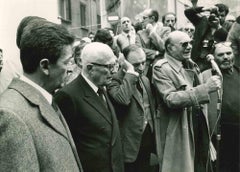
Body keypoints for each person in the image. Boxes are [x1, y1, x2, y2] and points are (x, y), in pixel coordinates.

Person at [0, 16, 83, 171]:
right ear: (45, 66)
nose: (71, 68)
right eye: (67, 62)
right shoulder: (10, 115)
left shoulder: (46, 97)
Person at [152, 31, 221, 172]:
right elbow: (171, 99)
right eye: (184, 44)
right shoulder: (161, 68)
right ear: (170, 48)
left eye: (190, 42)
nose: (189, 47)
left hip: (197, 125)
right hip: (180, 129)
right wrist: (205, 88)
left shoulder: (190, 64)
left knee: (201, 165)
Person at [54, 42, 124, 172]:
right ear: (90, 68)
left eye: (115, 65)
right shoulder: (67, 96)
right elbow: (66, 148)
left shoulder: (101, 88)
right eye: (109, 67)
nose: (114, 71)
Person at [107, 45, 160, 172]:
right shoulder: (114, 80)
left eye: (144, 62)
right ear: (124, 63)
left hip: (148, 140)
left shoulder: (145, 79)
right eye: (136, 64)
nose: (142, 68)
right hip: (129, 145)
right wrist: (130, 72)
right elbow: (123, 99)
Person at [202, 42, 240, 172]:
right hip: (220, 132)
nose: (225, 57)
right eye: (221, 54)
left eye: (228, 53)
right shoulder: (206, 76)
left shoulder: (238, 71)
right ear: (213, 57)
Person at [185, 5, 224, 71]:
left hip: (215, 62)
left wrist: (218, 26)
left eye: (219, 15)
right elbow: (188, 12)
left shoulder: (225, 25)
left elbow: (227, 38)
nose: (214, 17)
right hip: (197, 59)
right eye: (212, 14)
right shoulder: (202, 21)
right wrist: (205, 8)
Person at [136, 9, 164, 79]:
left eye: (144, 18)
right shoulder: (140, 33)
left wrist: (152, 32)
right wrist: (156, 53)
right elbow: (138, 50)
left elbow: (163, 47)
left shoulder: (165, 30)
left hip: (161, 68)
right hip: (145, 69)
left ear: (152, 18)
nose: (142, 21)